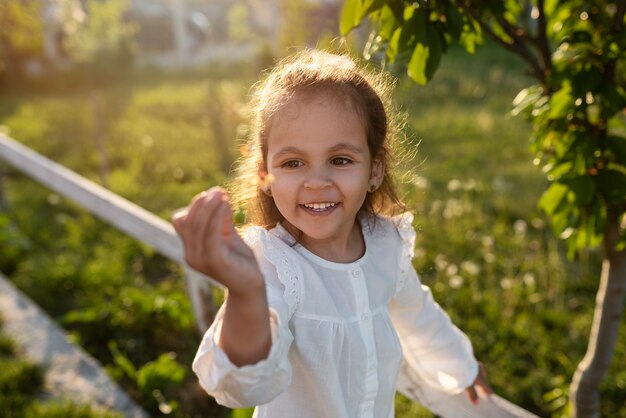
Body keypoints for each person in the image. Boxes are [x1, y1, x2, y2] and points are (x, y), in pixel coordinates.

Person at [172, 48, 492, 418]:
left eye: (340, 160)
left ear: (374, 170)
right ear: (265, 177)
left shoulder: (385, 244)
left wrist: (462, 367)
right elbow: (242, 387)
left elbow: (417, 315)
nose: (317, 182)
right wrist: (246, 292)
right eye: (293, 163)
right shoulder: (272, 264)